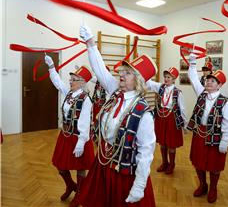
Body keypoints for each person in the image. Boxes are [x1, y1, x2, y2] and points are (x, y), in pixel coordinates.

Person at [78, 24, 157, 207]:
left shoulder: (143, 113)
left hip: (124, 173)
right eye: (122, 71)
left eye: (128, 73)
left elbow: (146, 152)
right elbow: (100, 70)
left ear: (138, 80)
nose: (121, 75)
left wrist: (139, 186)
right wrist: (90, 43)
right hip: (102, 164)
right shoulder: (115, 91)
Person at [44, 55, 95, 207]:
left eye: (74, 79)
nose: (70, 81)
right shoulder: (69, 93)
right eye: (71, 79)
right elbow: (58, 82)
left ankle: (80, 194)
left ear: (82, 82)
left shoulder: (86, 99)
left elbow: (85, 123)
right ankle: (70, 185)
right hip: (65, 135)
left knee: (80, 168)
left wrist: (81, 143)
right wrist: (52, 67)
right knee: (60, 165)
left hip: (79, 138)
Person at [187, 53, 228, 203]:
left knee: (214, 165)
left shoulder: (225, 102)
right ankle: (203, 184)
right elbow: (193, 79)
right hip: (200, 134)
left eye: (213, 81)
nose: (209, 82)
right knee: (199, 161)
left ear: (220, 85)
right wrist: (192, 63)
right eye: (208, 80)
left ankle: (213, 188)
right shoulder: (202, 94)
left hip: (216, 137)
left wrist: (224, 143)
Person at [146, 66, 187, 174]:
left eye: (169, 77)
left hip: (171, 119)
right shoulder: (160, 87)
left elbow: (182, 109)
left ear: (174, 79)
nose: (166, 79)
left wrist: (185, 125)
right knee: (162, 143)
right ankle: (165, 162)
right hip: (161, 118)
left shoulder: (178, 92)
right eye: (165, 77)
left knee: (171, 144)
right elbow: (149, 83)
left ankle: (172, 164)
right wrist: (144, 70)